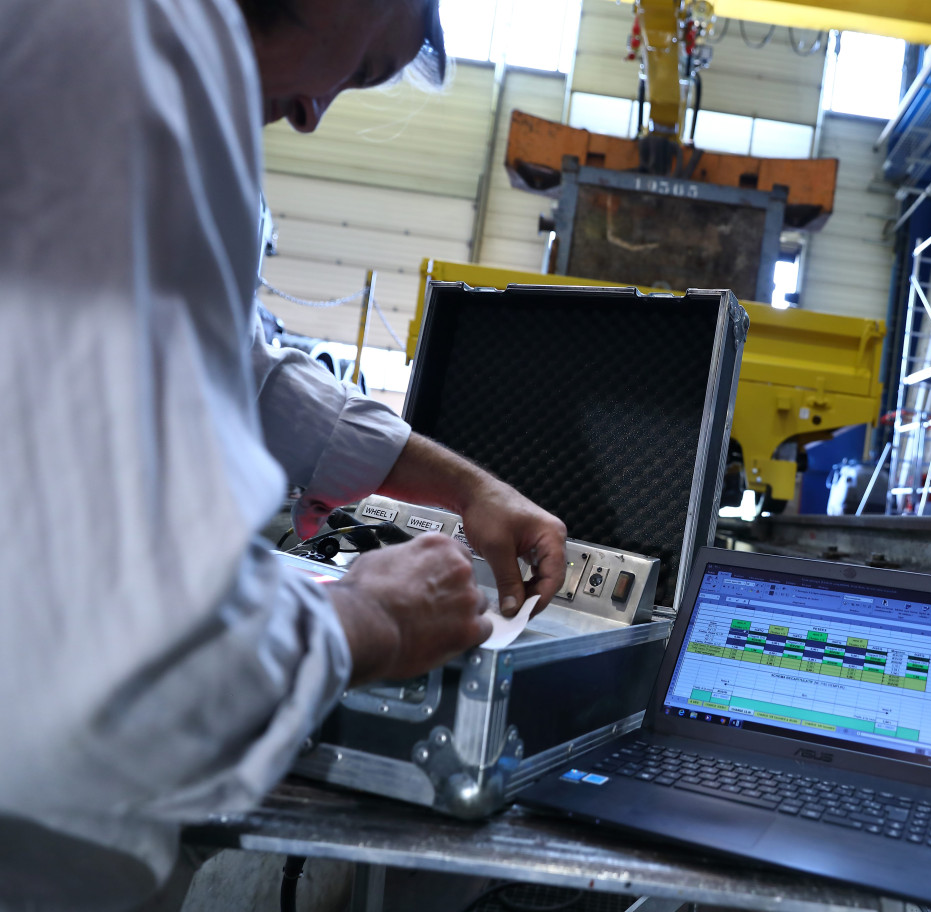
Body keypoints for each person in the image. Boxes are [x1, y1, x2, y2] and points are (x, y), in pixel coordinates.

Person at [0, 0, 567, 907]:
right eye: (360, 68)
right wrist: (368, 622)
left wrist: (471, 492)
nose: (312, 112)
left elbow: (249, 372)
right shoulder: (141, 53)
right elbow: (139, 643)